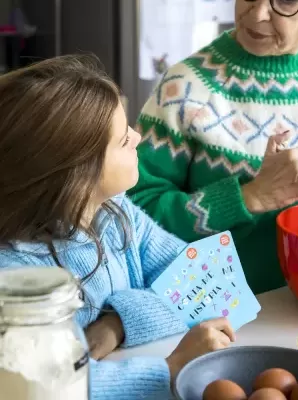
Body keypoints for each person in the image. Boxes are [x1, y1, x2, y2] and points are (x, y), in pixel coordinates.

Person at [0, 56, 235, 400]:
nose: (138, 137)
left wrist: (118, 322)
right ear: (77, 175)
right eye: (124, 139)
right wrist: (170, 368)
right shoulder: (16, 280)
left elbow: (211, 276)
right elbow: (55, 387)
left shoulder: (113, 212)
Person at [129, 0, 298, 295]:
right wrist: (249, 197)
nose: (256, 14)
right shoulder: (185, 87)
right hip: (230, 319)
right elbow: (134, 212)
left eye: (284, 1)